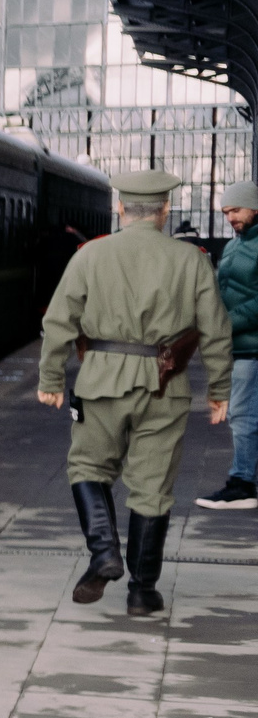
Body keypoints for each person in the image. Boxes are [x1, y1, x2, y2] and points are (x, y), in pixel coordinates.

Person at [39, 169, 232, 615]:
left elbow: (58, 320)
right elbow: (215, 330)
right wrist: (219, 389)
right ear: (166, 210)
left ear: (120, 208)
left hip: (100, 380)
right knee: (152, 486)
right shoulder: (191, 260)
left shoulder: (90, 255)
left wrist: (51, 379)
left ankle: (104, 553)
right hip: (166, 385)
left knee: (87, 466)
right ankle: (142, 592)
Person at [194, 179, 258, 511]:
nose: (230, 217)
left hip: (251, 348)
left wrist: (224, 323)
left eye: (236, 210)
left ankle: (242, 484)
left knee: (242, 415)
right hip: (239, 347)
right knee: (243, 415)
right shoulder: (234, 245)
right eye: (225, 212)